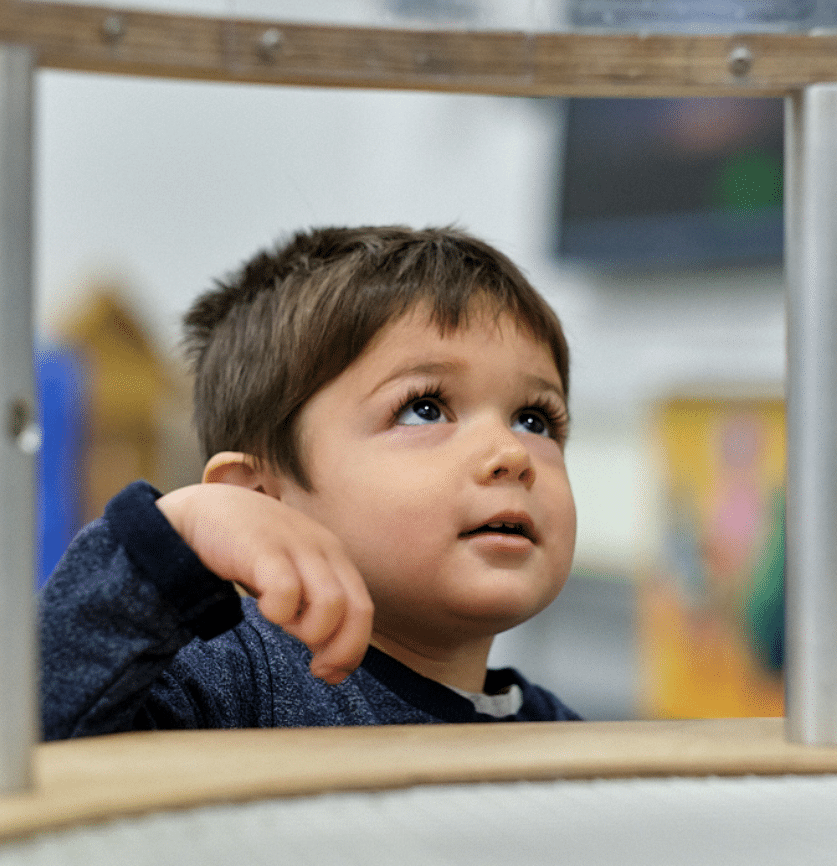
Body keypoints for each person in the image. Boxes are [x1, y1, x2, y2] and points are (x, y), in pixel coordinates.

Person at [39, 225, 581, 740]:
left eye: (534, 420)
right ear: (261, 497)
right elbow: (32, 723)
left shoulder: (560, 735)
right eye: (424, 408)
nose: (512, 454)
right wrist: (169, 541)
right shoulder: (233, 679)